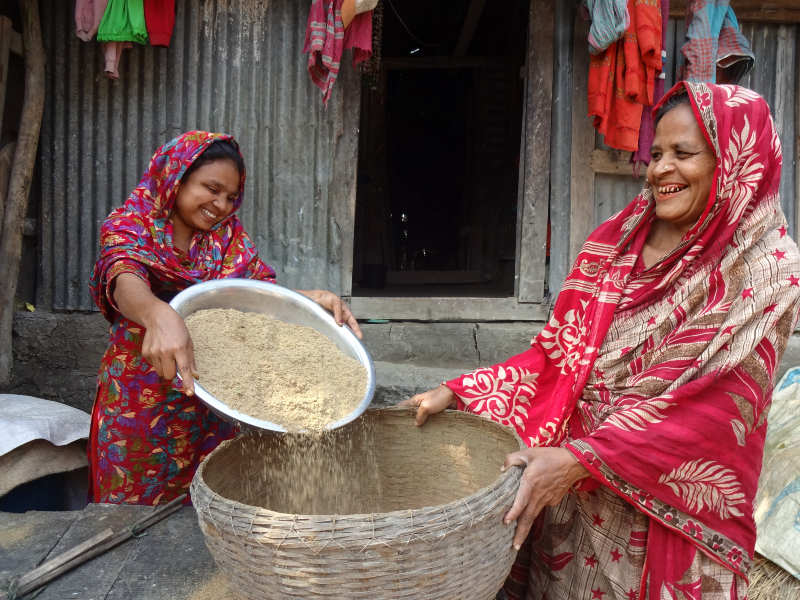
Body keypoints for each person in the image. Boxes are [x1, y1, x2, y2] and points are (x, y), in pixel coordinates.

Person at [401, 82, 800, 599]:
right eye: (656, 153)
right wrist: (464, 391)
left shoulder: (765, 271)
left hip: (662, 515)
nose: (661, 169)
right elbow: (558, 354)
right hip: (570, 501)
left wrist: (577, 461)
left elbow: (705, 409)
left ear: (735, 160)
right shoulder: (618, 239)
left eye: (684, 153)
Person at [88, 131, 361, 506]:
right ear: (176, 177)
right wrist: (156, 313)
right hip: (142, 395)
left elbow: (253, 297)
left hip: (216, 395)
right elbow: (123, 278)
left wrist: (309, 299)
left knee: (212, 498)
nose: (221, 205)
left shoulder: (226, 238)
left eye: (231, 197)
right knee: (131, 508)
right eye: (211, 188)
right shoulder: (133, 223)